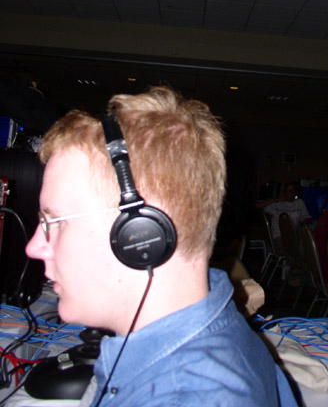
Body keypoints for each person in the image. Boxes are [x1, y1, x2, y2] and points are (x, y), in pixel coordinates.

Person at [26, 87, 298, 406]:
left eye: (56, 222)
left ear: (140, 234)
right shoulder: (218, 322)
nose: (34, 247)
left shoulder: (187, 398)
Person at [257, 181, 310, 251]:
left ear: (295, 193)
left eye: (290, 192)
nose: (287, 194)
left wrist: (303, 227)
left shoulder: (299, 203)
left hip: (294, 237)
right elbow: (258, 206)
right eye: (285, 191)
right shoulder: (276, 203)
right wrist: (277, 200)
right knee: (295, 249)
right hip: (279, 237)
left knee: (307, 246)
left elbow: (306, 217)